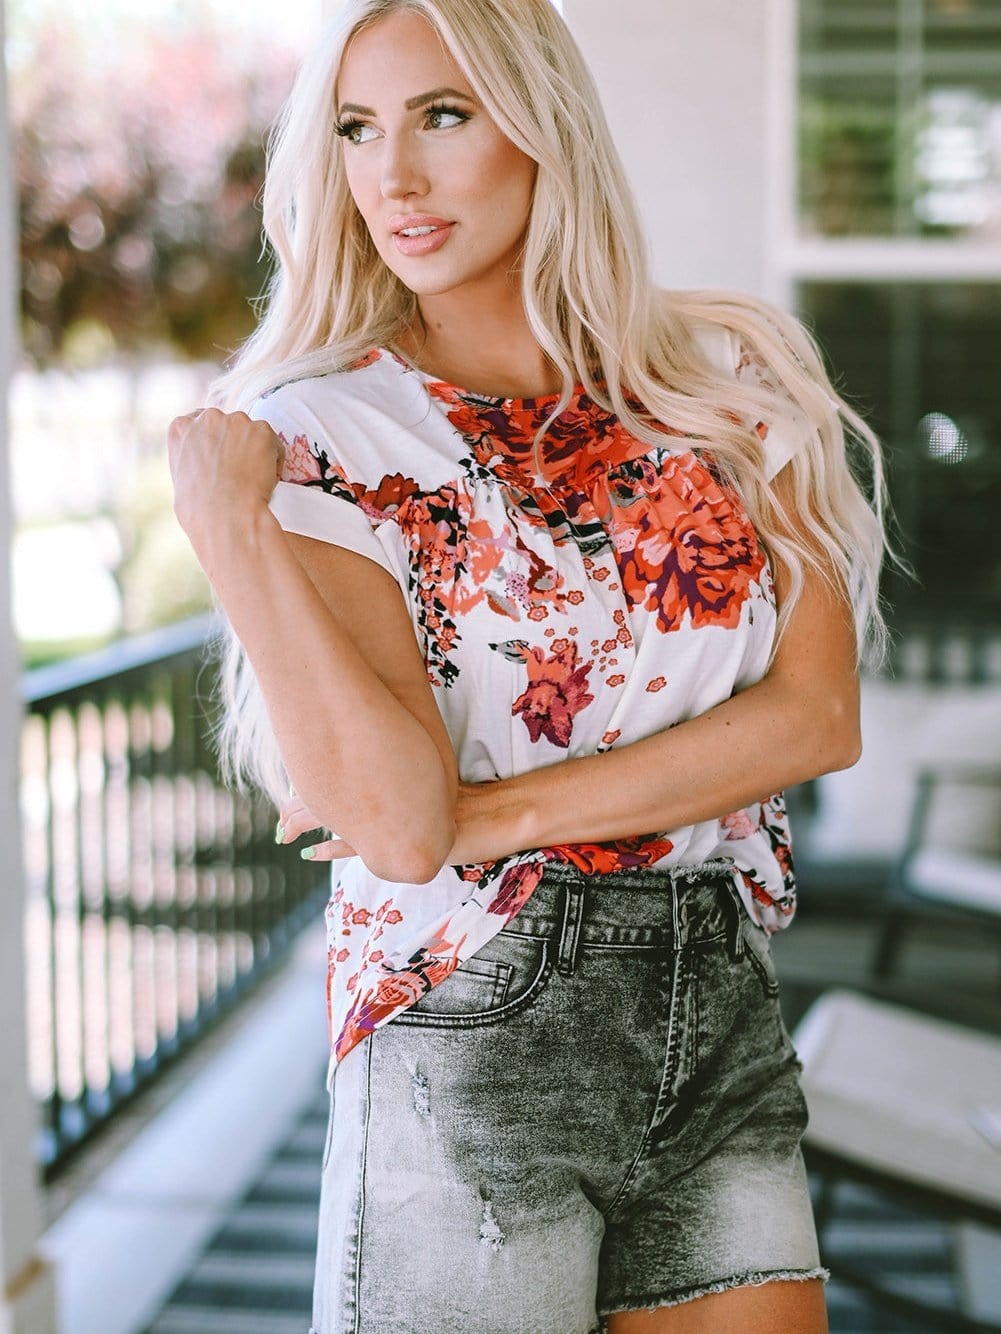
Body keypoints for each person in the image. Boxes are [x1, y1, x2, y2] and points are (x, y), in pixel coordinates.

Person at [167, 2, 890, 1330]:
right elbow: (393, 823)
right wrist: (229, 531)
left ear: (540, 124)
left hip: (711, 983)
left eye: (442, 115)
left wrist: (492, 814)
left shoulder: (731, 383)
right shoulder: (316, 431)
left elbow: (816, 716)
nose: (392, 175)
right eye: (355, 129)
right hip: (468, 1013)